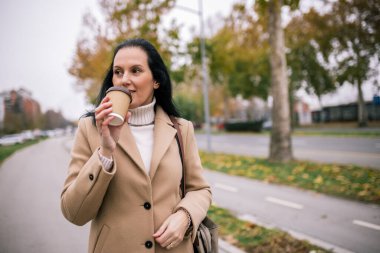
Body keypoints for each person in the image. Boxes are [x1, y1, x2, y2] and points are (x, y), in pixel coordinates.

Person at [60, 38, 212, 253]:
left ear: (156, 80)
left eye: (136, 71)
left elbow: (200, 189)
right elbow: (74, 213)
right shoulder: (90, 128)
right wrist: (105, 152)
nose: (124, 79)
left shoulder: (182, 129)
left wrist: (185, 215)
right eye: (118, 72)